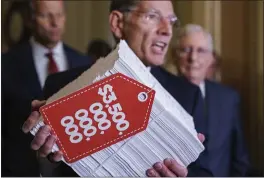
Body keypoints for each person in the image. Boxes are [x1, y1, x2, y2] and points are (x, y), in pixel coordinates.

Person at [22, 1, 210, 177]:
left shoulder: (188, 95)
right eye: (153, 16)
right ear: (118, 23)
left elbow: (204, 172)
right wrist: (47, 161)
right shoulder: (60, 85)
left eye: (171, 21)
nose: (167, 30)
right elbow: (48, 170)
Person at [2, 0, 91, 176]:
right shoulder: (5, 64)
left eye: (59, 15)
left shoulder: (85, 63)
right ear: (30, 19)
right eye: (45, 15)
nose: (55, 23)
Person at [172, 24, 250, 176]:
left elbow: (239, 158)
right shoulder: (160, 95)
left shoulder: (228, 98)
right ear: (175, 56)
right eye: (186, 50)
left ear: (212, 58)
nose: (193, 58)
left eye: (201, 51)